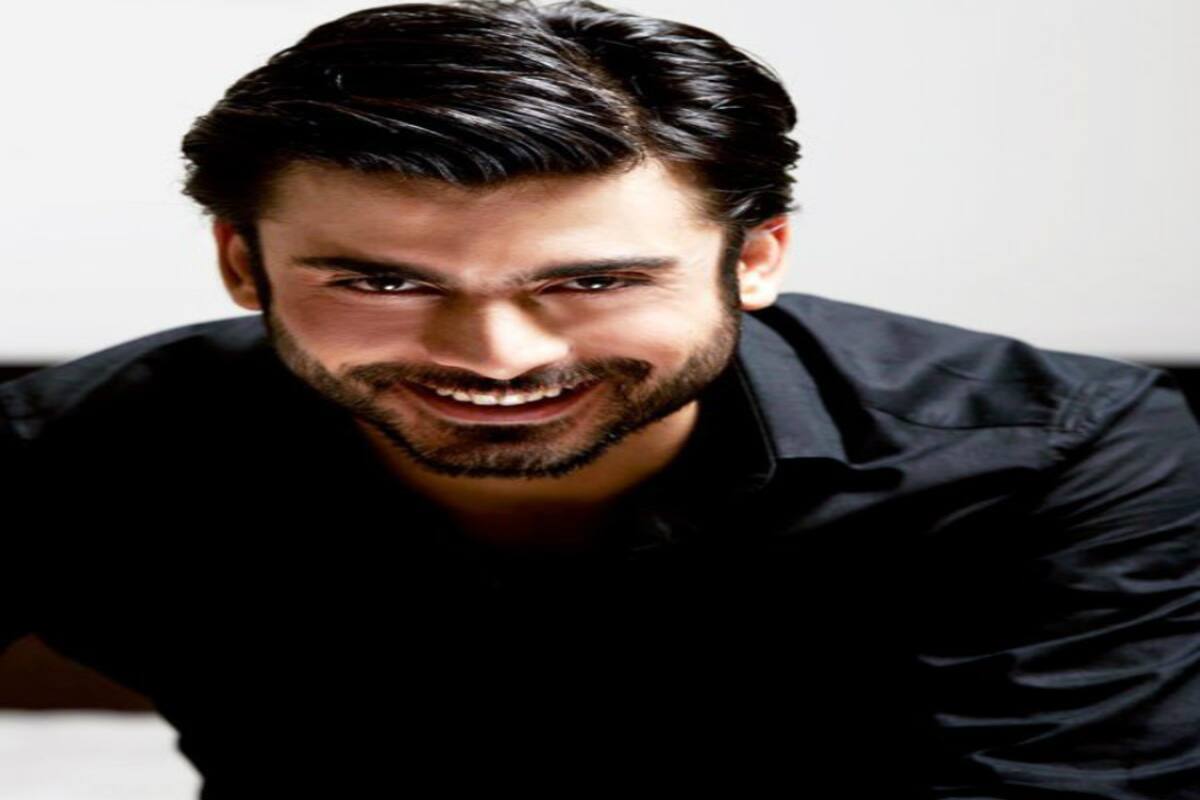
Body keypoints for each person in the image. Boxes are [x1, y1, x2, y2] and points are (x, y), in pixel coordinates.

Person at [2, 1, 1198, 797]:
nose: (497, 355)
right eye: (381, 281)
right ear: (241, 263)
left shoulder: (1054, 460)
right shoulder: (65, 451)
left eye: (594, 279)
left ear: (758, 256)